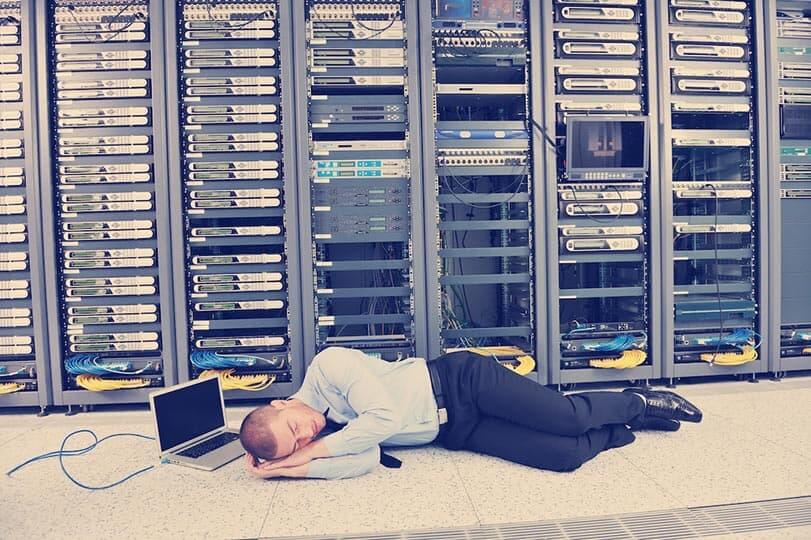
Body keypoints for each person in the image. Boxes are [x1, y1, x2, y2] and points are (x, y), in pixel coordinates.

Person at [239, 347, 702, 480]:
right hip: (459, 428)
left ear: (279, 403)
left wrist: (313, 449)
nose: (309, 434)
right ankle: (621, 427)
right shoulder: (322, 436)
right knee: (563, 458)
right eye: (299, 442)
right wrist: (289, 470)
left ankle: (636, 400)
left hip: (463, 382)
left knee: (566, 418)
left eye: (296, 428)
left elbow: (381, 421)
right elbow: (363, 459)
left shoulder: (329, 366)